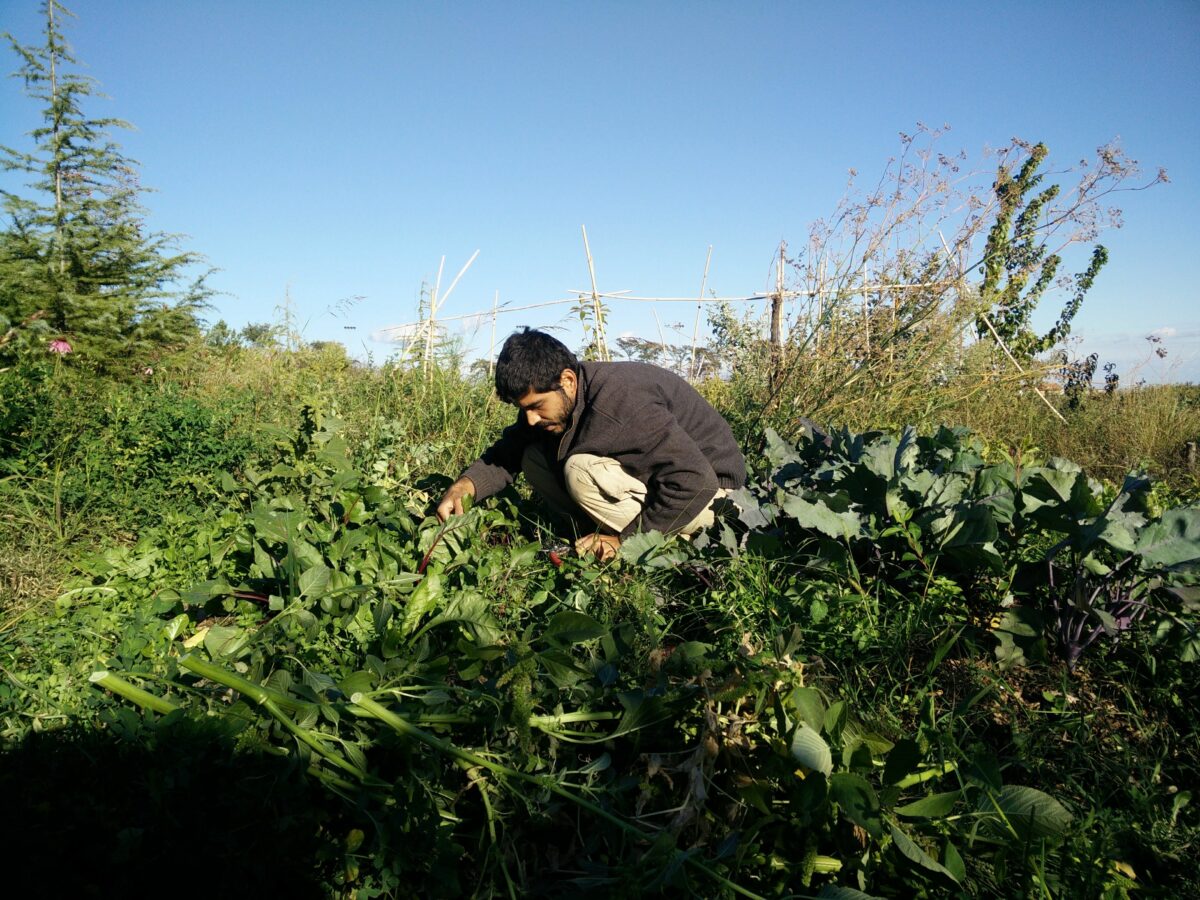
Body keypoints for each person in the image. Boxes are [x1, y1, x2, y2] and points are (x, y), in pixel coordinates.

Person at [437, 328, 746, 562]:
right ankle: (592, 537)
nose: (530, 419)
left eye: (537, 406)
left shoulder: (622, 403)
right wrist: (464, 487)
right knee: (533, 456)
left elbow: (695, 480)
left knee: (579, 470)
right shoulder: (556, 404)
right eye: (523, 409)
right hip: (671, 485)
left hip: (717, 501)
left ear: (568, 380)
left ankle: (661, 547)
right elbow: (509, 453)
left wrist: (625, 541)